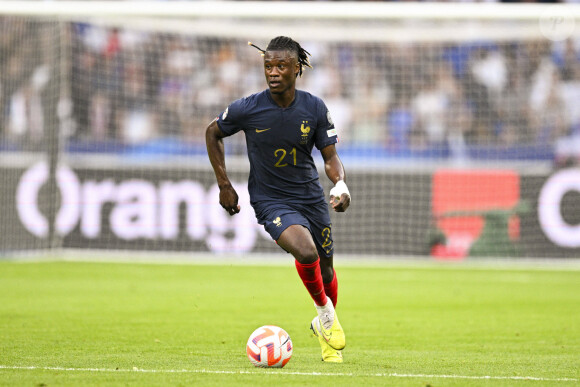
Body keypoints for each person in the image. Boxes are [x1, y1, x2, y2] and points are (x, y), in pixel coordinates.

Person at [205, 36, 351, 363]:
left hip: (310, 197)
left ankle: (323, 329)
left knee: (326, 271)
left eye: (281, 66)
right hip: (271, 199)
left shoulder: (314, 108)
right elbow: (212, 132)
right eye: (268, 66)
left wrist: (340, 184)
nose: (273, 72)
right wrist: (224, 184)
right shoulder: (249, 108)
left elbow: (330, 157)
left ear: (296, 69)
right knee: (305, 249)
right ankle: (326, 316)